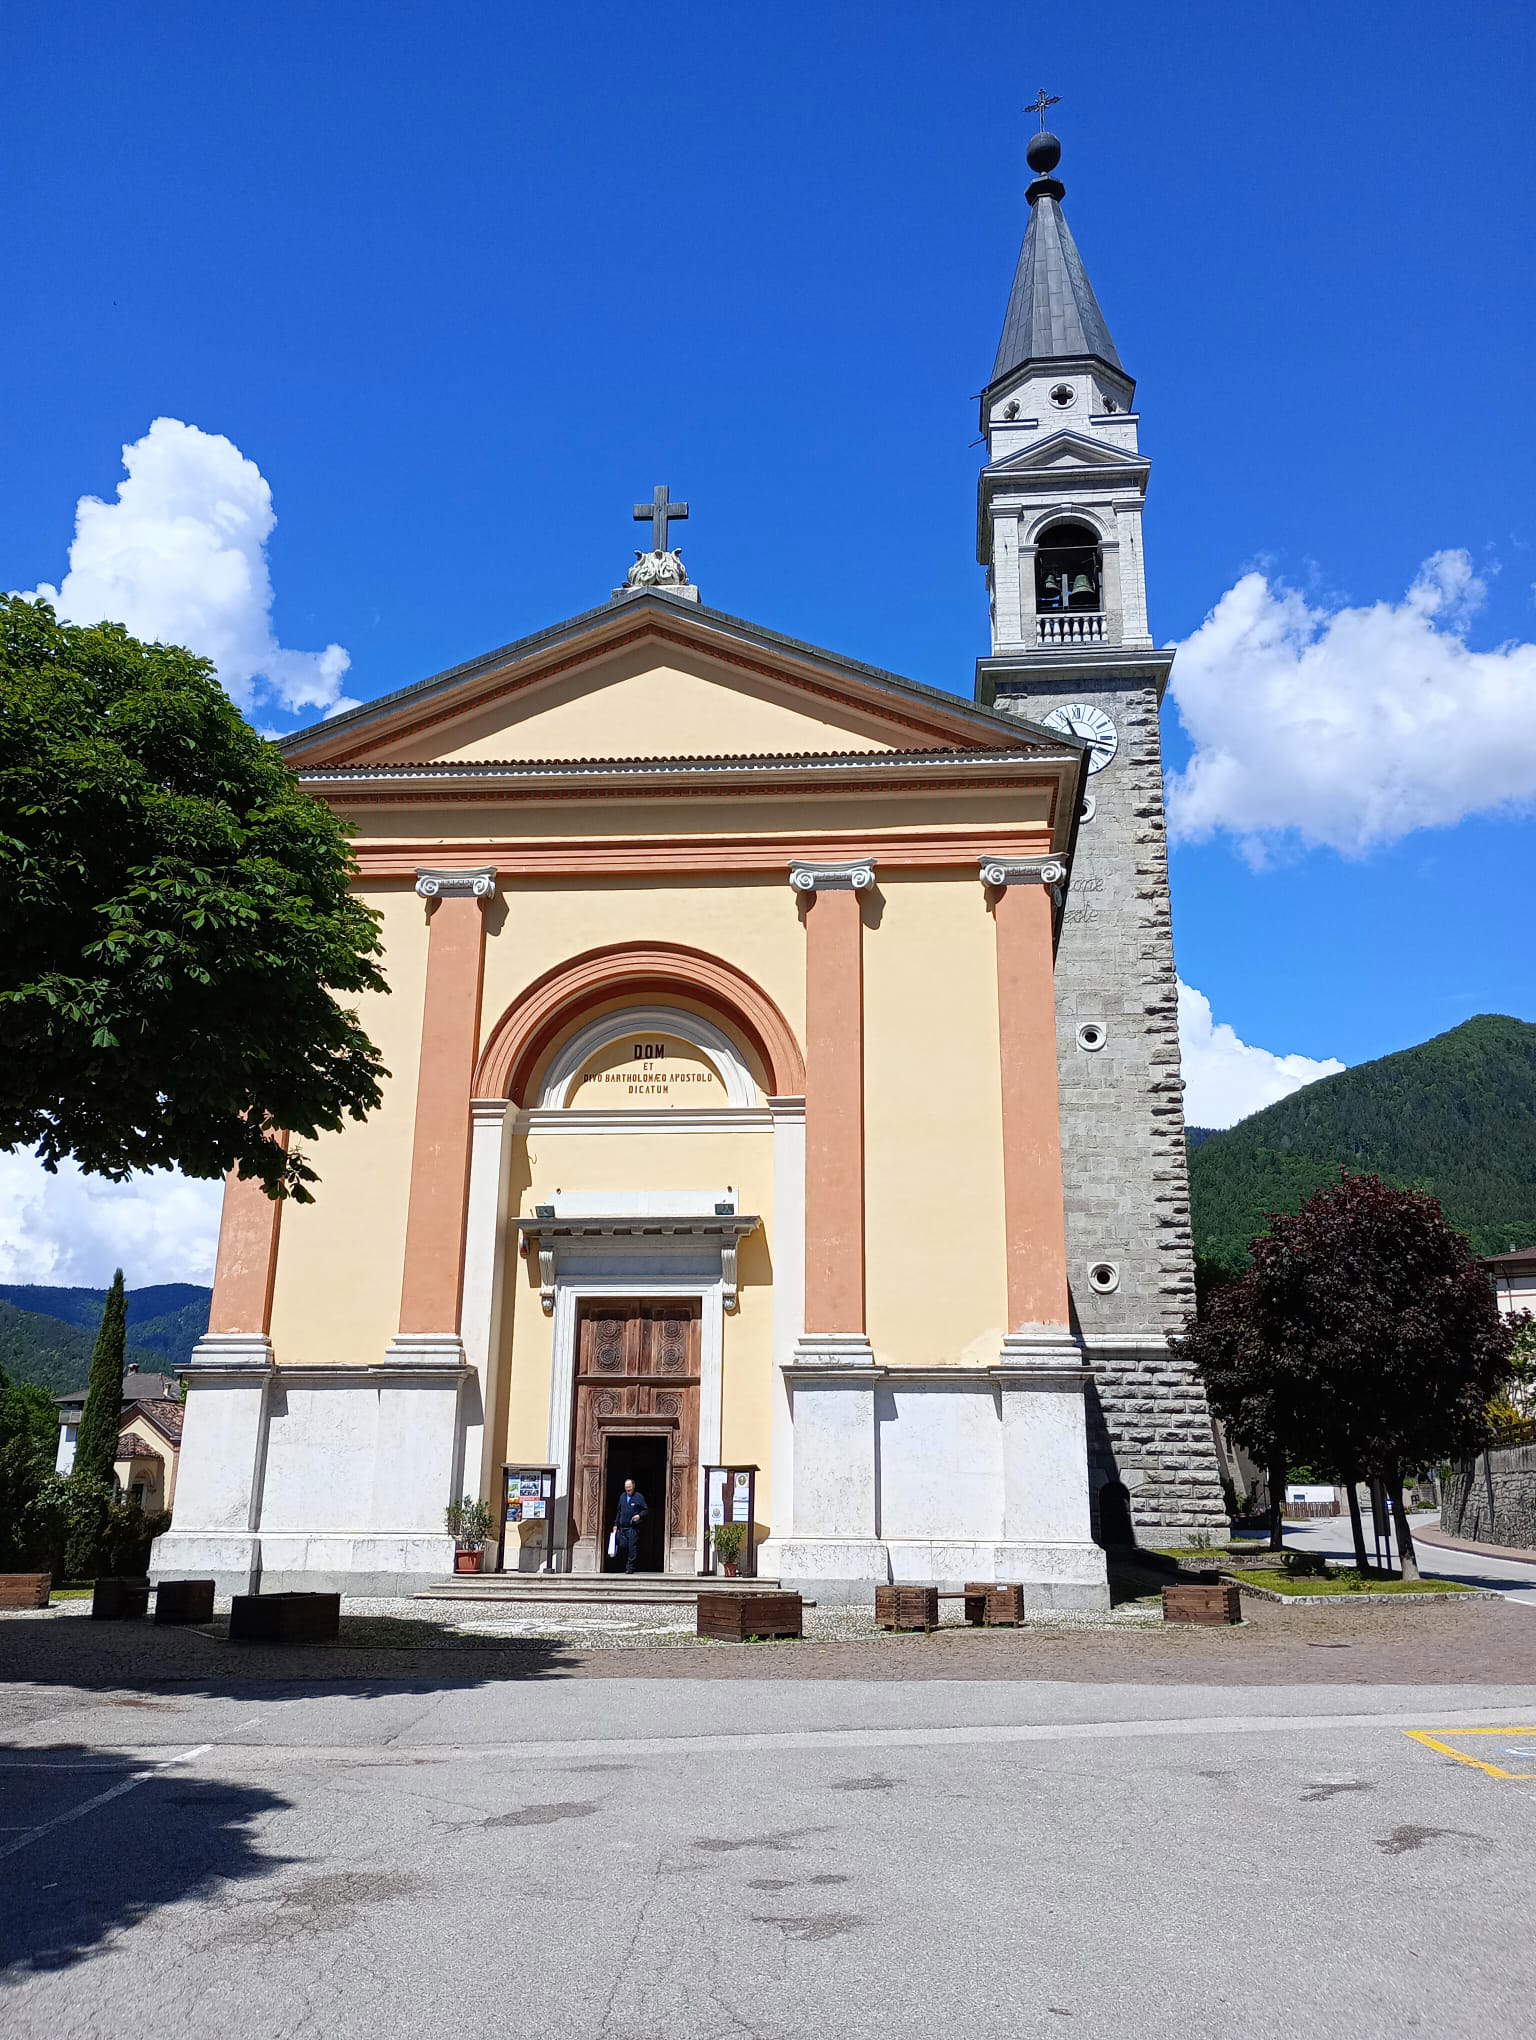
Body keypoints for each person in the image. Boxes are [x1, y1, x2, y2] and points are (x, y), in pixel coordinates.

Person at [613, 1478, 648, 1573]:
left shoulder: (638, 1497)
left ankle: (630, 1568)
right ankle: (622, 1565)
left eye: (629, 1487)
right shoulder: (622, 1497)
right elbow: (619, 1511)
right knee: (623, 1546)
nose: (628, 1489)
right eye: (626, 1487)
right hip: (622, 1528)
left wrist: (639, 1516)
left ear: (633, 1486)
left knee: (632, 1548)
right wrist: (616, 1524)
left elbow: (645, 1510)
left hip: (633, 1528)